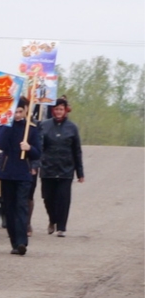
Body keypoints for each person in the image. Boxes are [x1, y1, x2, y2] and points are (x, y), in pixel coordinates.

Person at [0, 97, 41, 256]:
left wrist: (29, 148)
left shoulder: (32, 128)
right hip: (7, 172)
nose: (17, 114)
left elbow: (38, 153)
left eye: (20, 111)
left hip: (23, 173)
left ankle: (22, 241)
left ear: (25, 111)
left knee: (21, 206)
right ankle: (14, 242)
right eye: (15, 111)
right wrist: (8, 123)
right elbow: (0, 144)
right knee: (9, 208)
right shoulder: (3, 125)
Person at [39, 98, 84, 237]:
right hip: (48, 168)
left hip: (66, 169)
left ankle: (61, 227)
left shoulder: (72, 127)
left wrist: (80, 172)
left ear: (65, 111)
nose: (59, 112)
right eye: (56, 109)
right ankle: (52, 219)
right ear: (53, 110)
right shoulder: (44, 125)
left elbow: (77, 150)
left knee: (63, 199)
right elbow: (39, 147)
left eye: (61, 109)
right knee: (48, 198)